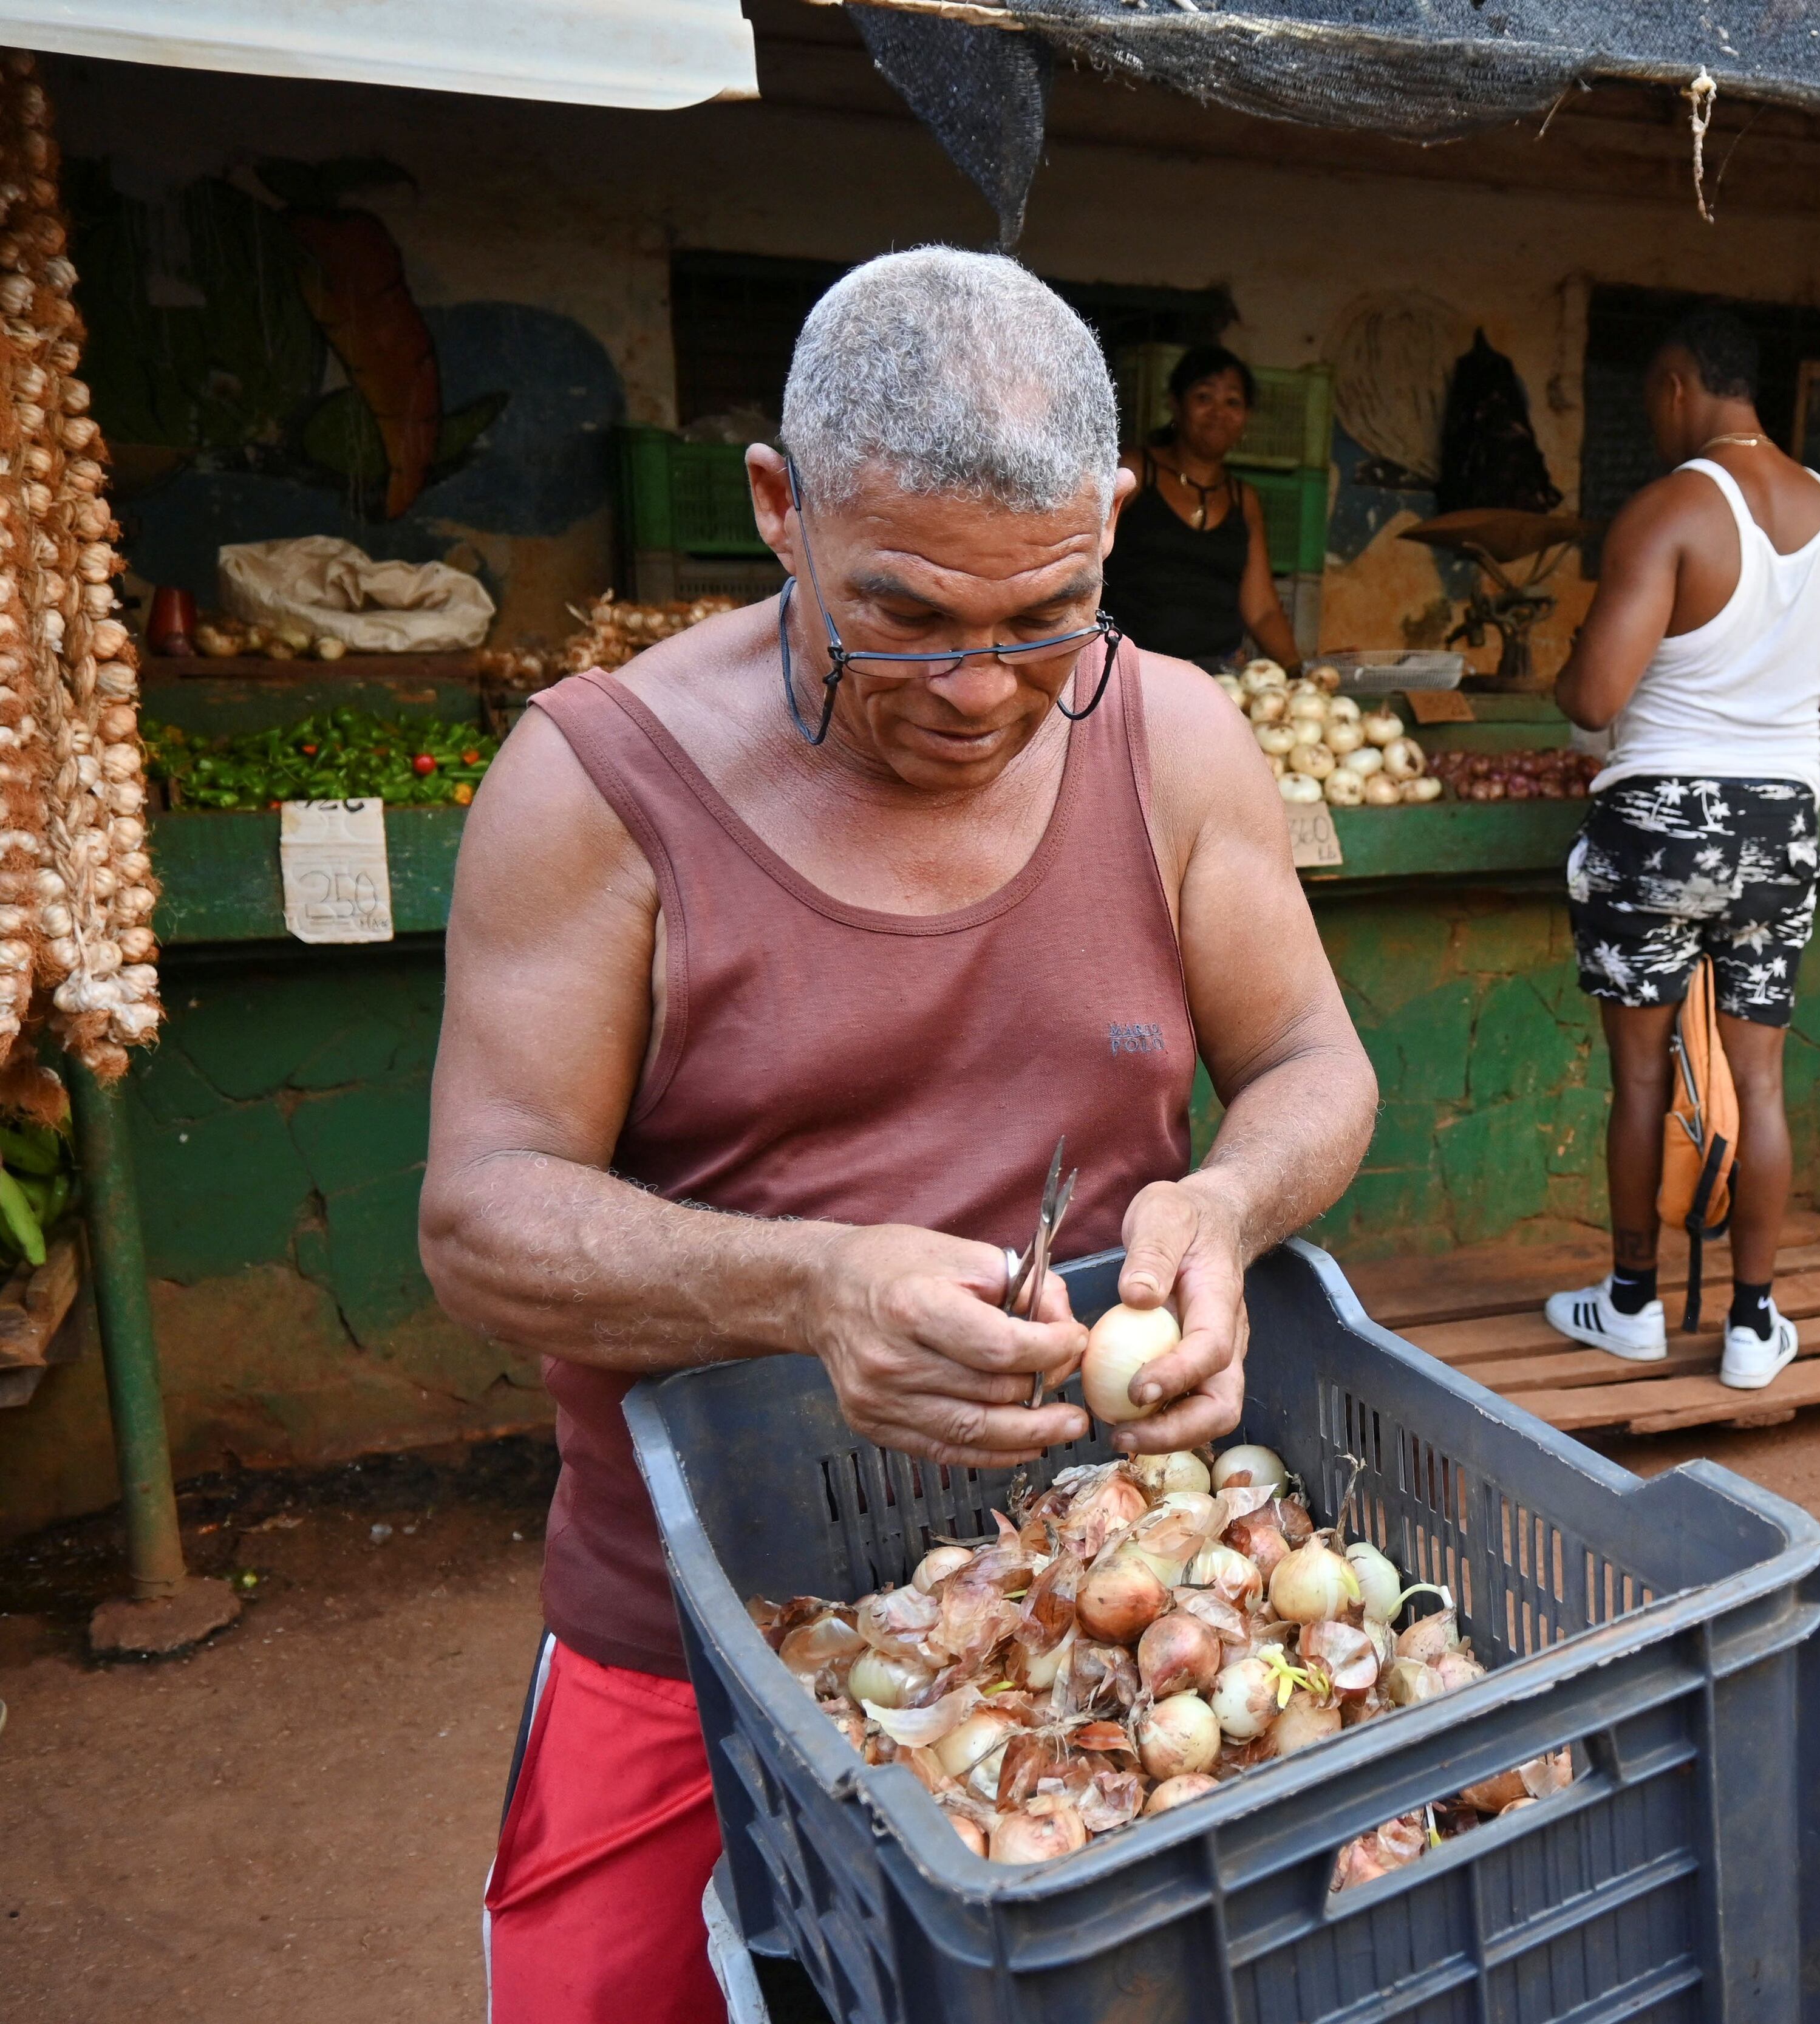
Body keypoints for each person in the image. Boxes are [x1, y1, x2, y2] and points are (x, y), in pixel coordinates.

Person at [420, 248, 1376, 2024]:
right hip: (690, 1639)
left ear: (1104, 524)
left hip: (1096, 1584)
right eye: (907, 618)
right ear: (775, 509)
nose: (979, 690)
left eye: (1043, 619)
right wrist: (809, 1288)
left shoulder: (1173, 738)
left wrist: (1228, 1198)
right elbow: (480, 1215)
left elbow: (1316, 1056)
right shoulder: (597, 781)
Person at [1538, 307, 1820, 1389]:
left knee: (1642, 1078)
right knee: (1761, 1079)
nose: (1654, 417)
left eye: (1653, 397)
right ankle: (1752, 1325)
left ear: (1682, 383)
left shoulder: (1672, 509)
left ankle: (1632, 1302)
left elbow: (1596, 696)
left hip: (1661, 818)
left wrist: (1565, 672)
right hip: (1783, 818)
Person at [1108, 343, 1305, 672]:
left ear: (1246, 418)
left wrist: (1296, 670)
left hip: (1215, 681)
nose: (1218, 412)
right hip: (1128, 672)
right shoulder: (1136, 471)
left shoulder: (1245, 500)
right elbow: (1081, 555)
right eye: (1204, 397)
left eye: (1233, 402)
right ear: (1175, 404)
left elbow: (1262, 609)